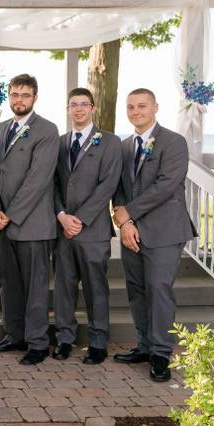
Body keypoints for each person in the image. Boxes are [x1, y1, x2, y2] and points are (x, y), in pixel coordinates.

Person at [112, 88, 197, 382]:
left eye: (142, 106)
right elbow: (119, 188)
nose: (136, 111)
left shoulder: (174, 142)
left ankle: (161, 353)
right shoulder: (123, 147)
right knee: (136, 290)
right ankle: (145, 346)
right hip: (132, 231)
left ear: (156, 107)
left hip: (164, 230)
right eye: (131, 107)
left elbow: (165, 185)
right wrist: (125, 224)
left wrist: (128, 213)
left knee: (159, 290)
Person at [0, 74, 59, 365]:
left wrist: (10, 215)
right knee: (8, 284)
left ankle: (37, 342)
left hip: (33, 225)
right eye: (14, 95)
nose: (19, 100)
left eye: (25, 95)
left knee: (35, 287)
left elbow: (38, 180)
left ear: (35, 98)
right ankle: (14, 335)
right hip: (1, 224)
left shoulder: (47, 130)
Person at [51, 88, 122, 364]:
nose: (78, 109)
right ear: (68, 109)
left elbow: (108, 185)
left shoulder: (110, 142)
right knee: (63, 288)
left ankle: (97, 342)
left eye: (83, 104)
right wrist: (61, 216)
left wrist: (79, 219)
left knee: (95, 288)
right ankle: (64, 339)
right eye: (73, 105)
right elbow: (53, 184)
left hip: (92, 230)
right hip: (63, 229)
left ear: (92, 108)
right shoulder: (58, 143)